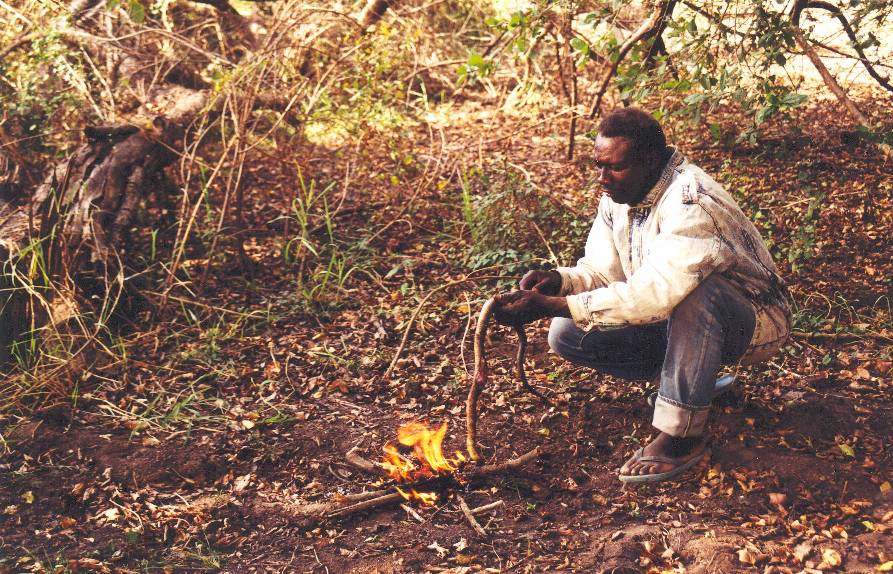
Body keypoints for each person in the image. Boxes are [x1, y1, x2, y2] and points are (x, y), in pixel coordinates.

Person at [493, 107, 791, 483]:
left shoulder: (691, 202)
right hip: (678, 316)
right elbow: (603, 273)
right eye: (598, 165)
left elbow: (655, 295)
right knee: (566, 333)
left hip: (757, 321)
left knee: (700, 294)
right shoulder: (621, 193)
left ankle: (682, 435)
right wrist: (560, 283)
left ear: (650, 160)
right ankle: (695, 385)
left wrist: (557, 305)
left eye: (613, 167)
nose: (602, 179)